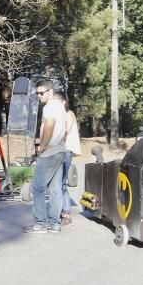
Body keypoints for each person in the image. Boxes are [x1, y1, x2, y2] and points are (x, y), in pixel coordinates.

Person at [25, 80, 67, 234]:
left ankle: (41, 224)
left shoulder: (50, 107)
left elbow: (49, 124)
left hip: (49, 152)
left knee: (37, 188)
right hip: (60, 150)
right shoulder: (61, 107)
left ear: (50, 91)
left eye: (41, 93)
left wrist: (42, 146)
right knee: (55, 189)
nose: (39, 96)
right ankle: (55, 224)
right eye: (37, 93)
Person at [60, 95, 80, 226]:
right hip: (63, 150)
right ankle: (63, 212)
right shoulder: (68, 113)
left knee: (60, 183)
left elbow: (63, 132)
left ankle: (66, 214)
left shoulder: (68, 114)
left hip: (64, 150)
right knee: (59, 183)